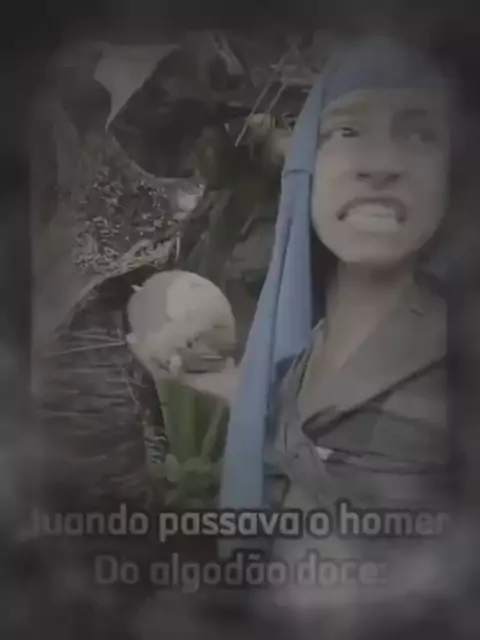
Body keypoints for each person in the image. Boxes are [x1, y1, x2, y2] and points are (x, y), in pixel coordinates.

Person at [127, 34, 459, 593]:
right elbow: (308, 452)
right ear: (306, 167)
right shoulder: (307, 346)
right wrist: (238, 389)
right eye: (346, 131)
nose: (380, 164)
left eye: (420, 133)